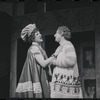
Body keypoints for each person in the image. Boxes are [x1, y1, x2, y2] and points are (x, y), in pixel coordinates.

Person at [15, 23, 56, 98]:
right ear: (33, 38)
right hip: (37, 76)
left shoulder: (39, 48)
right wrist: (54, 55)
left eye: (39, 33)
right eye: (37, 34)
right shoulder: (34, 48)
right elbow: (43, 63)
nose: (40, 34)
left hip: (41, 75)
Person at [50, 26, 83, 98]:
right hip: (61, 86)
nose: (54, 35)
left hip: (67, 87)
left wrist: (55, 62)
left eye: (56, 33)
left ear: (61, 34)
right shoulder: (60, 47)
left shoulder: (68, 45)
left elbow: (71, 61)